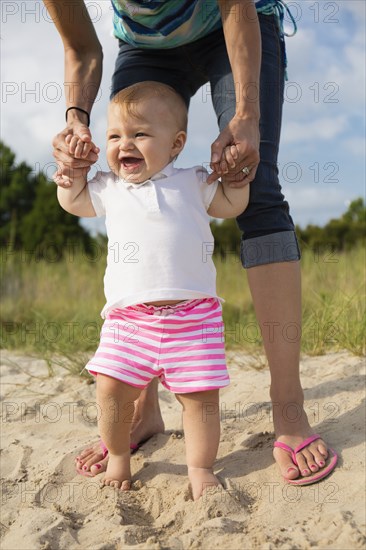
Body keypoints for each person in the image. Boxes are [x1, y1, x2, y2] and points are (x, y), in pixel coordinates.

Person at [45, 0, 337, 485]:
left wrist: (246, 116)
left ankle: (289, 409)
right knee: (132, 169)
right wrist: (76, 119)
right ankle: (143, 410)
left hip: (233, 22)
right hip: (146, 44)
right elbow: (80, 45)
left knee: (255, 182)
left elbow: (236, 7)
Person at [56, 81, 250, 499]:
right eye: (114, 136)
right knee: (110, 390)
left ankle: (199, 466)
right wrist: (72, 172)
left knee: (200, 401)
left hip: (193, 318)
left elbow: (230, 206)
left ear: (176, 143)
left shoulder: (194, 181)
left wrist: (238, 176)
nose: (124, 143)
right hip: (129, 320)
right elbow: (73, 202)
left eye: (139, 134)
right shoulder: (109, 186)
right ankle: (119, 454)